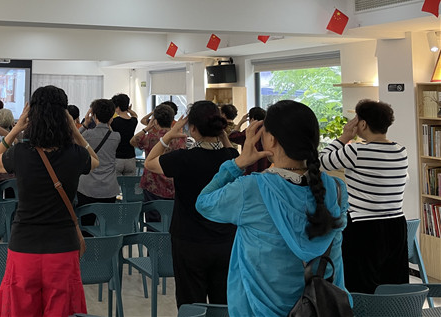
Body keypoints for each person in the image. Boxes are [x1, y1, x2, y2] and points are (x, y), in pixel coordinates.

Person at [195, 100, 349, 317]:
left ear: (272, 140)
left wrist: (238, 163)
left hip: (260, 311)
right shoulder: (337, 189)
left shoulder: (251, 189)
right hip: (324, 308)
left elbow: (204, 203)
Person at [0, 85, 99, 317]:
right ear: (65, 117)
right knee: (63, 311)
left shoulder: (20, 153)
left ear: (32, 115)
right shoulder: (76, 154)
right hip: (63, 247)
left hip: (24, 246)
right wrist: (76, 130)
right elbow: (95, 160)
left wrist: (16, 128)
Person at [143, 101, 235, 307]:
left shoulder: (183, 158)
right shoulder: (230, 158)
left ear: (192, 128)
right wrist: (223, 137)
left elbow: (149, 162)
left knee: (191, 302)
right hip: (225, 240)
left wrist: (169, 135)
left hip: (189, 240)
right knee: (223, 303)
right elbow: (233, 158)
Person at [319, 99, 408, 294]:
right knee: (394, 287)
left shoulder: (356, 150)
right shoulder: (401, 151)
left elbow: (320, 162)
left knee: (361, 289)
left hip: (364, 227)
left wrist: (344, 137)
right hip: (397, 226)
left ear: (363, 124)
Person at [130, 104, 187, 222]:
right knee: (171, 220)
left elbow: (133, 141)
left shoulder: (151, 137)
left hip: (153, 183)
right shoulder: (180, 138)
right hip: (173, 184)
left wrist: (147, 128)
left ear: (155, 121)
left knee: (153, 221)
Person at [76, 99, 122, 226]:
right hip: (109, 187)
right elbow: (109, 131)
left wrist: (85, 124)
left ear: (94, 116)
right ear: (111, 117)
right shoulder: (116, 136)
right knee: (106, 226)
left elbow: (73, 139)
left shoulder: (87, 135)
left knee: (87, 225)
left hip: (87, 187)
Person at [109, 93, 139, 176]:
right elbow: (135, 115)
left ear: (117, 107)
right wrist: (128, 110)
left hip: (117, 158)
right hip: (131, 158)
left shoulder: (113, 122)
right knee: (130, 184)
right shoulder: (133, 121)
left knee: (116, 183)